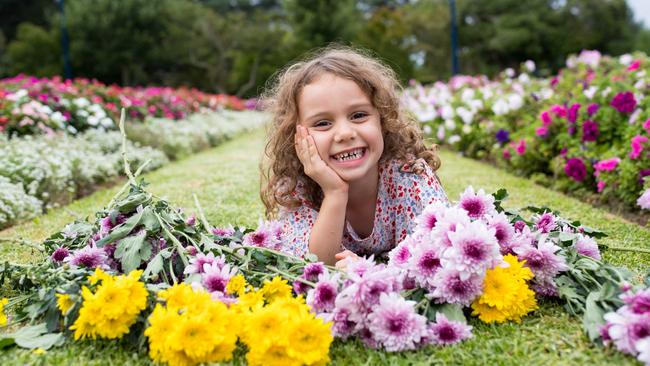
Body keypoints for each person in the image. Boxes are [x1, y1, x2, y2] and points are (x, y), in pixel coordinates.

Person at [260, 46, 449, 268]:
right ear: (297, 136)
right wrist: (334, 193)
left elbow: (434, 259)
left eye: (358, 115)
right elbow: (313, 265)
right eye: (322, 123)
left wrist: (369, 269)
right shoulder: (298, 189)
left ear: (383, 119)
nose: (345, 133)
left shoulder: (410, 175)